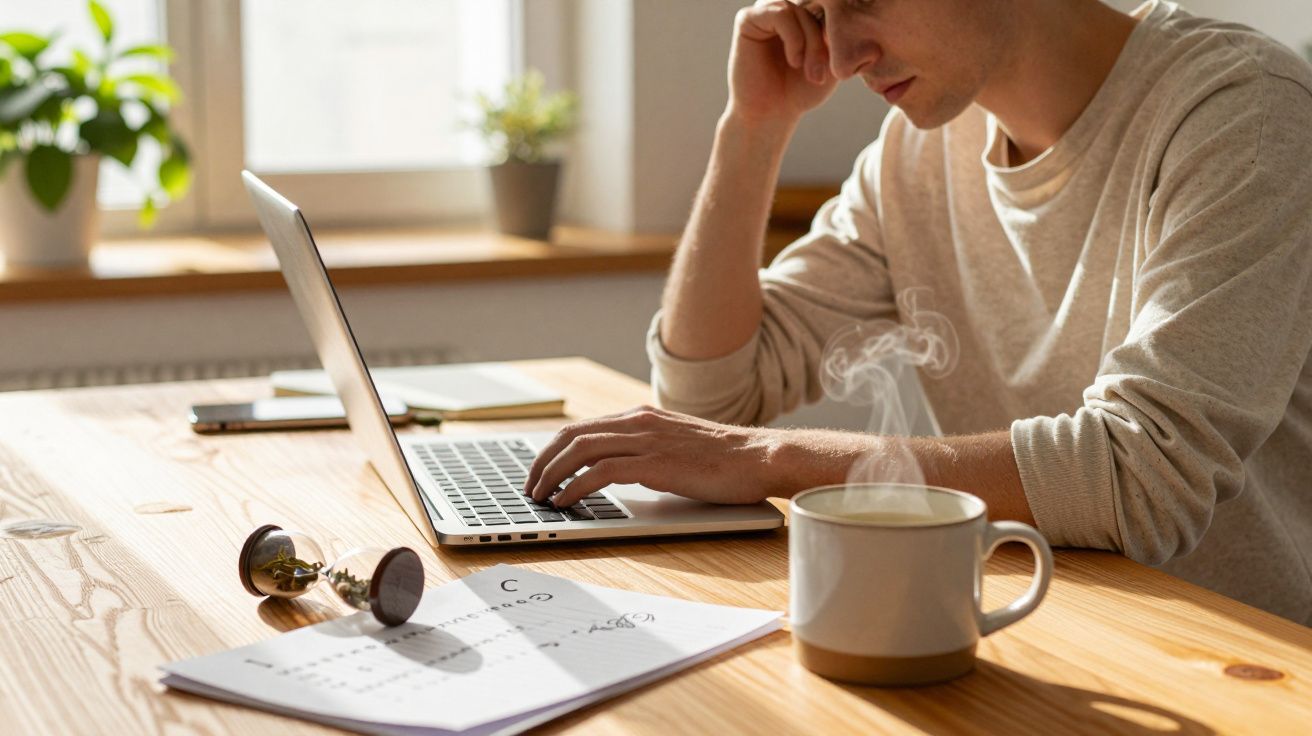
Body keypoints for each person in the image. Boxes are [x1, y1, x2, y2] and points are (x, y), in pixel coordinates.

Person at [524, 0, 1312, 624]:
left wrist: (770, 460)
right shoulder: (915, 157)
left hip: (1238, 660)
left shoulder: (1242, 112)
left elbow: (1146, 475)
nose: (837, 57)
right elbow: (709, 396)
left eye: (863, 0)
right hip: (1037, 621)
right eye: (820, 13)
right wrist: (756, 127)